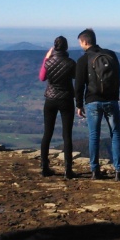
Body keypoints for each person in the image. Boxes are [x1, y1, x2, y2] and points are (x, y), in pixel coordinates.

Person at [74, 28, 120, 180]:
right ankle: (119, 171)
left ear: (85, 41)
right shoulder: (110, 55)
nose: (80, 45)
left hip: (93, 101)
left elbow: (79, 85)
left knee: (94, 135)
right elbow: (117, 77)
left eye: (80, 43)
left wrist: (79, 104)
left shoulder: (84, 60)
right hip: (111, 100)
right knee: (115, 134)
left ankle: (95, 171)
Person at [39, 36, 76, 178]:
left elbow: (42, 77)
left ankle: (44, 166)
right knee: (67, 135)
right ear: (66, 47)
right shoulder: (71, 63)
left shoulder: (48, 63)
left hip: (50, 100)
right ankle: (68, 169)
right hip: (66, 99)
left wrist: (46, 59)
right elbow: (75, 77)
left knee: (47, 133)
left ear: (54, 47)